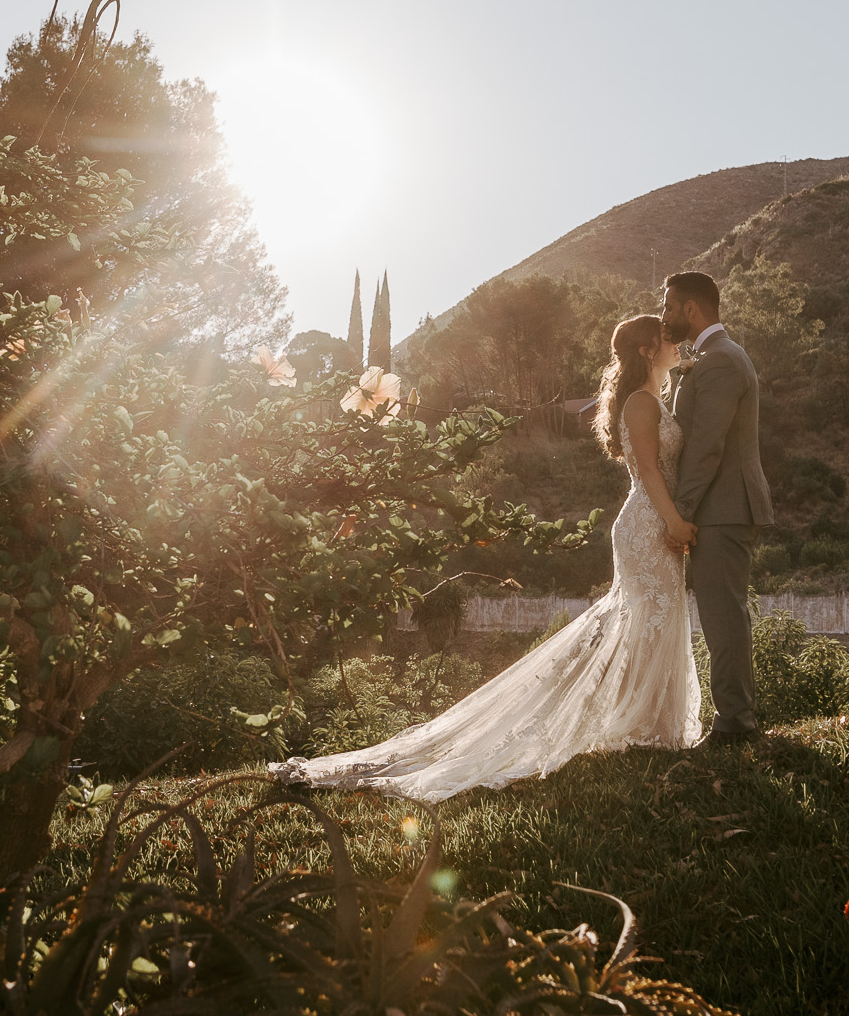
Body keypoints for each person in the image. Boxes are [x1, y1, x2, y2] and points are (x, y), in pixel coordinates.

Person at [272, 312, 703, 801]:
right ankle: (645, 728)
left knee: (653, 620)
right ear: (647, 349)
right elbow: (647, 470)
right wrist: (673, 521)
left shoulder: (654, 398)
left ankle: (650, 725)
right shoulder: (643, 404)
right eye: (668, 338)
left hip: (650, 522)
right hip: (649, 523)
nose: (677, 343)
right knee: (653, 617)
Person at [661, 270, 775, 746]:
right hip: (718, 507)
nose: (664, 315)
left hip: (723, 508)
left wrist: (680, 513)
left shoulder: (722, 361)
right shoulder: (710, 358)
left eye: (669, 306)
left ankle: (736, 723)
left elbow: (707, 446)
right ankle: (736, 716)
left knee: (723, 616)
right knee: (720, 614)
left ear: (691, 309)